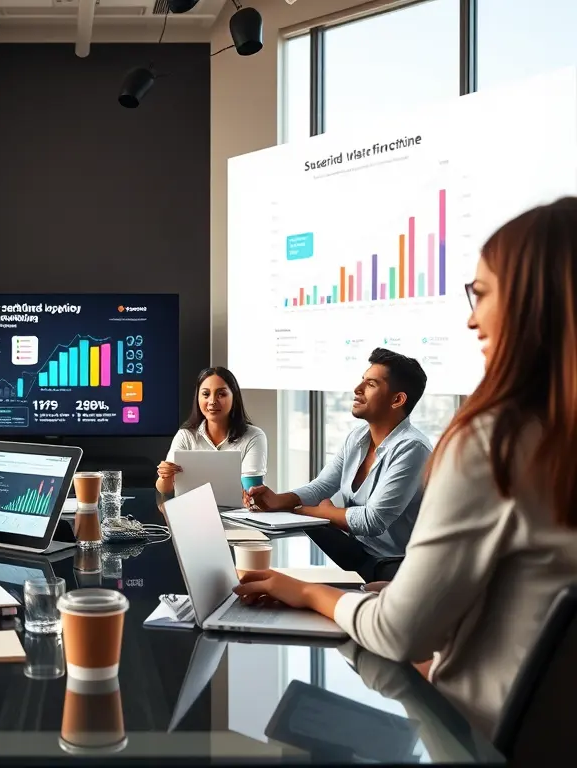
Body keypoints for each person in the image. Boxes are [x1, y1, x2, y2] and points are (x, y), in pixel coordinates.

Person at [234, 197, 577, 739]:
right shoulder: (551, 440)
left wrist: (307, 592)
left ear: (532, 302)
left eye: (482, 293)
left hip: (473, 734)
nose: (472, 318)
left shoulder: (494, 444)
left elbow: (400, 634)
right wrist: (292, 505)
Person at [245, 348, 430, 581]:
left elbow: (373, 521)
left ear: (397, 400)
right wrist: (279, 500)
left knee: (295, 573)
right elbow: (321, 487)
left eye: (371, 384)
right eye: (362, 380)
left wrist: (316, 512)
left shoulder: (412, 448)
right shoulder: (357, 437)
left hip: (396, 566)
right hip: (358, 552)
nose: (357, 389)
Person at [156, 366, 267, 495]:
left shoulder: (254, 436)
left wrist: (249, 496)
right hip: (192, 506)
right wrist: (165, 475)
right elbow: (164, 489)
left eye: (221, 394)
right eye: (206, 394)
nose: (212, 401)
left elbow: (252, 488)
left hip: (237, 508)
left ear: (234, 397)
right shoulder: (186, 436)